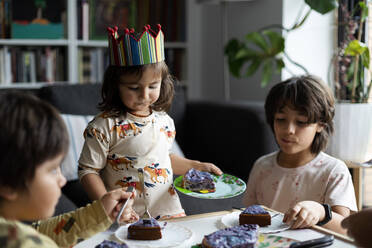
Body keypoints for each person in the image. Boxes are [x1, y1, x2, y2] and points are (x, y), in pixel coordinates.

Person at [78, 24, 222, 220]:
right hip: (125, 215)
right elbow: (88, 170)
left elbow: (162, 159)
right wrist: (107, 203)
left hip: (169, 212)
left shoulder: (165, 121)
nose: (144, 95)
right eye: (134, 88)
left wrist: (195, 166)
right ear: (116, 86)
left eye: (153, 86)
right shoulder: (103, 126)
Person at [0, 91, 138, 248]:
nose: (62, 180)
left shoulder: (14, 232)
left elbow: (42, 233)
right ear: (8, 185)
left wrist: (101, 212)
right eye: (52, 170)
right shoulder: (23, 243)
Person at [243, 75, 357, 234]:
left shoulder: (334, 171)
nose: (289, 129)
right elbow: (247, 216)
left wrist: (321, 211)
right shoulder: (262, 166)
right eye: (281, 119)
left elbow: (346, 229)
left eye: (301, 122)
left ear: (321, 125)